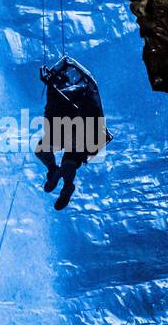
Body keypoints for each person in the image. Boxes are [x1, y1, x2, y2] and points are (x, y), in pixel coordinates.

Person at [34, 56, 112, 210]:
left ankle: (57, 172)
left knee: (45, 151)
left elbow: (76, 92)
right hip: (84, 134)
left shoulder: (69, 91)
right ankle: (65, 181)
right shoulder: (77, 91)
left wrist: (51, 83)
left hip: (76, 130)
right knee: (68, 159)